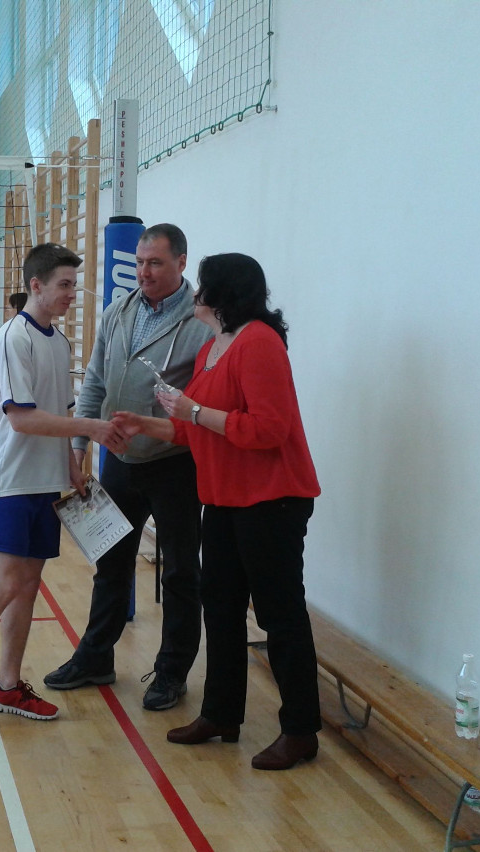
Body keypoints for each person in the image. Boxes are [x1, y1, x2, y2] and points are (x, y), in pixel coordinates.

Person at [112, 252, 322, 770]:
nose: (196, 291)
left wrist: (195, 411)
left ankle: (301, 731)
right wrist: (144, 424)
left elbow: (268, 429)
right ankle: (221, 714)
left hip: (272, 501)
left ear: (224, 293)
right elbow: (191, 427)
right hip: (226, 499)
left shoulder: (259, 342)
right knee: (221, 608)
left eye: (203, 283)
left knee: (279, 615)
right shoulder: (214, 346)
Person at [0, 243, 128, 741]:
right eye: (64, 285)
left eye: (74, 285)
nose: (71, 294)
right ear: (36, 285)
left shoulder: (58, 343)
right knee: (3, 584)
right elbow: (21, 419)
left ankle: (7, 685)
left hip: (46, 482)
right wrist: (92, 428)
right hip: (11, 480)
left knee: (27, 585)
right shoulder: (12, 338)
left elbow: (54, 410)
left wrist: (72, 463)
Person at [44, 223, 212, 711]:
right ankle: (96, 657)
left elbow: (204, 401)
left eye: (155, 263)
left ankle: (172, 672)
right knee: (111, 564)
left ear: (181, 262)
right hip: (119, 460)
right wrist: (79, 445)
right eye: (139, 262)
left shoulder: (202, 322)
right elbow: (96, 382)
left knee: (180, 572)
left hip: (176, 464)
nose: (144, 272)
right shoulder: (118, 312)